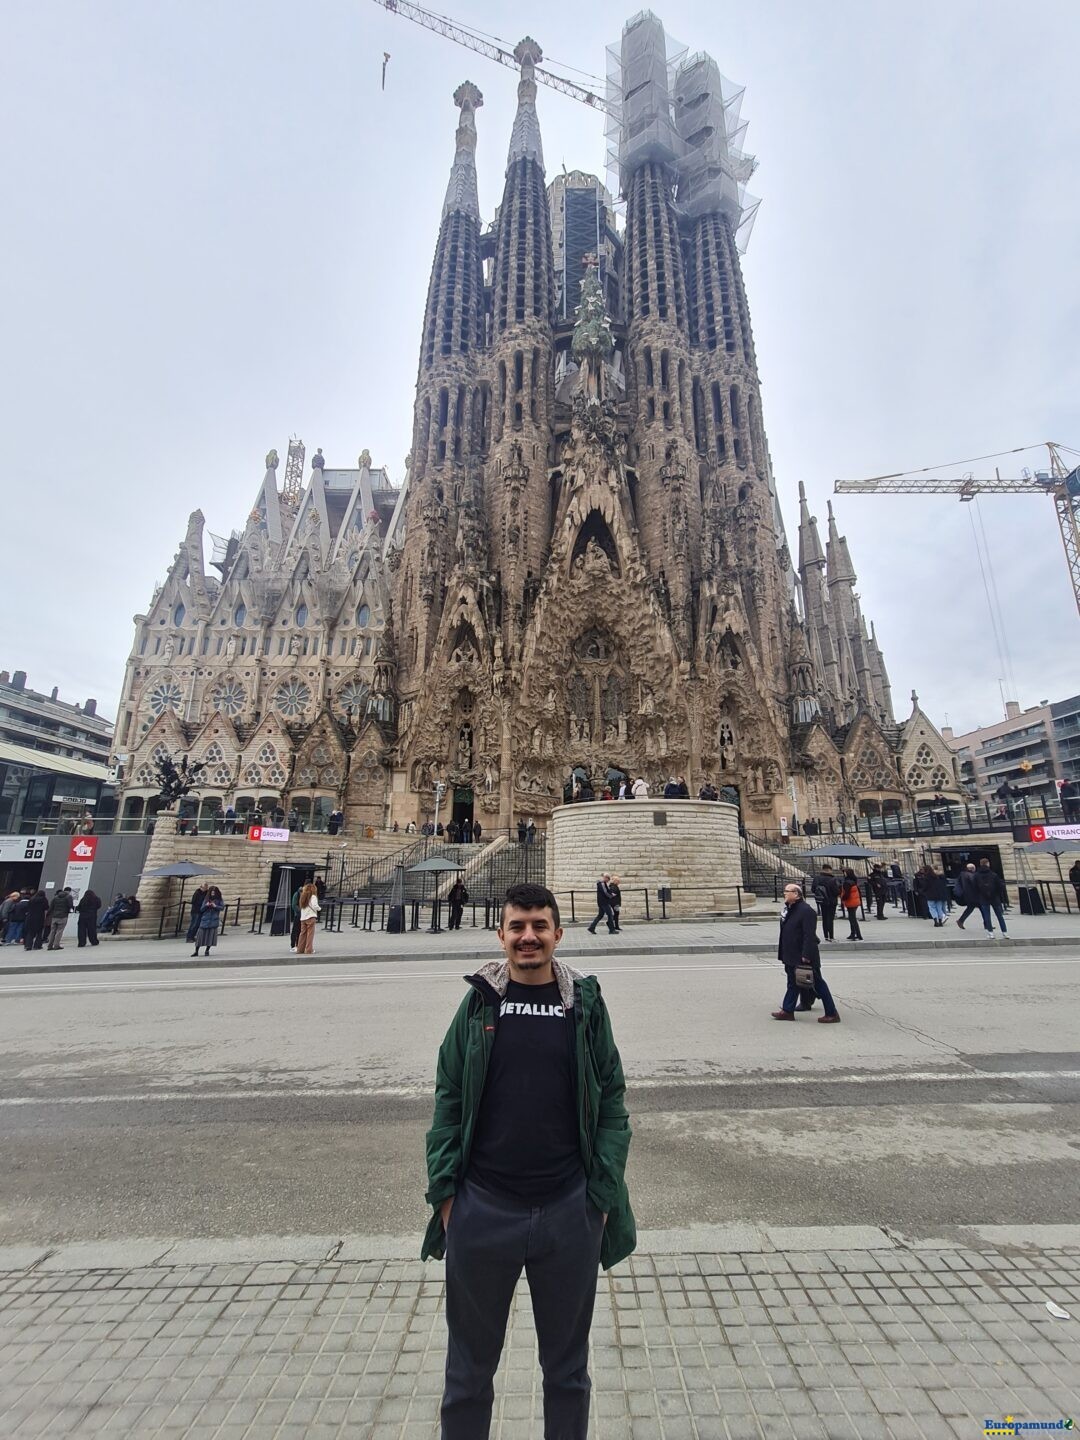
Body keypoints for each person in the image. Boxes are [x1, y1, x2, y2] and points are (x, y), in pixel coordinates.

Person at [422, 881, 635, 1439]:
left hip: (569, 1210)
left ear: (558, 934)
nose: (528, 937)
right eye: (518, 926)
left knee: (567, 1372)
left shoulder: (584, 1005)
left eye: (539, 926)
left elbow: (612, 1099)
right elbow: (448, 1098)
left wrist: (601, 1199)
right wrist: (447, 1197)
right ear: (502, 934)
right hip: (481, 1209)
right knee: (467, 1373)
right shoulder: (477, 1005)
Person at [772, 882, 840, 1023]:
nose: (784, 893)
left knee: (818, 984)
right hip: (791, 954)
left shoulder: (806, 911)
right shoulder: (789, 909)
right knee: (792, 983)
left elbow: (809, 935)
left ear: (796, 894)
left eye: (787, 891)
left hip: (803, 956)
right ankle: (787, 1011)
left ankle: (832, 1013)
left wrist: (806, 955)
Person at [974, 858, 1009, 938]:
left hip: (983, 898)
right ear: (987, 864)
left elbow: (974, 887)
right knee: (999, 916)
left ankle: (990, 933)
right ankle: (1004, 932)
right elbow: (1000, 886)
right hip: (994, 897)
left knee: (987, 916)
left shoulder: (977, 875)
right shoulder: (993, 874)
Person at [191, 886, 224, 956]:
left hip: (213, 920)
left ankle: (207, 950)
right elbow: (201, 909)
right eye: (211, 893)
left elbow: (222, 907)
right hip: (205, 920)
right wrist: (206, 905)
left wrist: (215, 906)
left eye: (214, 893)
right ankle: (196, 951)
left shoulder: (219, 899)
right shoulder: (206, 899)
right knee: (200, 936)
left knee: (210, 937)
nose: (212, 894)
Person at [811, 866, 840, 941]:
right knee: (830, 918)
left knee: (825, 917)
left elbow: (813, 889)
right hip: (832, 901)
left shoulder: (817, 878)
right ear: (829, 870)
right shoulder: (833, 879)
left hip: (822, 900)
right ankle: (831, 936)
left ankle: (826, 935)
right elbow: (836, 891)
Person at [953, 863, 983, 931]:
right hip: (974, 896)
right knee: (982, 908)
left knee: (971, 908)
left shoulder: (963, 874)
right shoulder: (971, 875)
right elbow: (975, 885)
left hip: (968, 896)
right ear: (973, 869)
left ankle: (961, 921)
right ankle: (987, 924)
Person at [296, 881, 320, 954]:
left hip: (303, 918)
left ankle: (300, 949)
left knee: (302, 934)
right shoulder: (313, 897)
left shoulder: (303, 897)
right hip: (310, 916)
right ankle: (309, 949)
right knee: (310, 934)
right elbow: (315, 906)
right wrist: (319, 909)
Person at [840, 870, 863, 941]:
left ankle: (858, 934)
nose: (844, 874)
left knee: (852, 919)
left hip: (851, 902)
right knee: (852, 918)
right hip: (855, 901)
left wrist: (842, 898)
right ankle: (853, 933)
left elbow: (846, 894)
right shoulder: (853, 881)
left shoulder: (847, 883)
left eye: (845, 872)